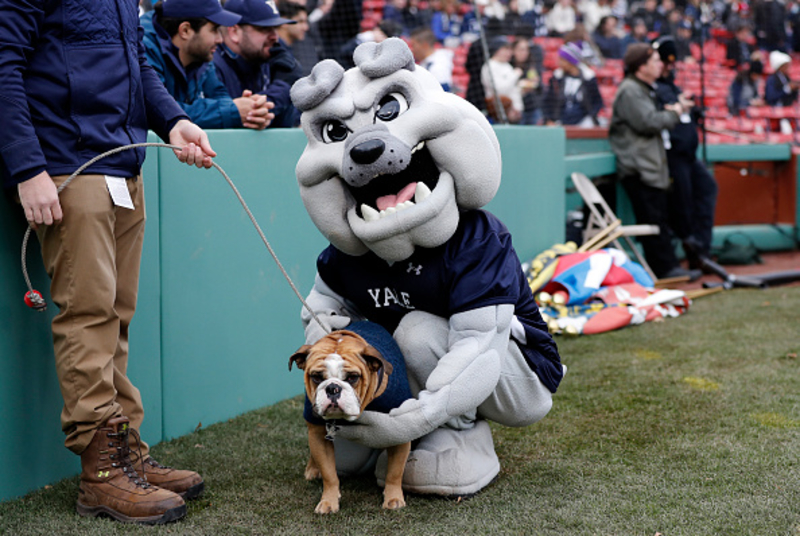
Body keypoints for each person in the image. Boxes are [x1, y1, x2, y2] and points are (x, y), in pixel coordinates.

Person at [0, 0, 217, 525]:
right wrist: (28, 167)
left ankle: (127, 456)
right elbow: (3, 63)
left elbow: (136, 64)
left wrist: (175, 119)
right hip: (70, 170)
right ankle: (102, 476)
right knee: (90, 316)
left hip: (123, 166)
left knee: (115, 317)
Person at [608, 43, 700, 280]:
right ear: (641, 67)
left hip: (648, 167)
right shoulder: (630, 90)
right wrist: (676, 111)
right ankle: (665, 269)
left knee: (658, 219)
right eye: (655, 61)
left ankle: (667, 267)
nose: (660, 65)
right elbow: (649, 122)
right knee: (653, 220)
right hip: (639, 168)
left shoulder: (642, 88)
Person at [142, 0, 274, 130]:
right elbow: (157, 111)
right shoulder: (142, 50)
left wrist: (250, 111)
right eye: (214, 30)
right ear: (185, 30)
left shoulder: (200, 55)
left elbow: (219, 94)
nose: (220, 39)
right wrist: (233, 111)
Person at [653, 36, 718, 270]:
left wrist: (693, 110)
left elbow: (680, 110)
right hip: (672, 155)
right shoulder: (654, 88)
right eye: (665, 62)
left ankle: (702, 248)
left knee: (707, 188)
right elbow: (658, 117)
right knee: (682, 204)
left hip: (690, 154)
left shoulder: (671, 84)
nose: (669, 67)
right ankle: (694, 252)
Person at [213, 0, 301, 128]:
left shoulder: (265, 60)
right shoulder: (212, 63)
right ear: (234, 32)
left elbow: (284, 124)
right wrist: (282, 89)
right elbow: (240, 117)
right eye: (264, 29)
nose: (274, 37)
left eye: (275, 28)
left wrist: (288, 87)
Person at [543, 43, 603, 126]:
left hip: (583, 121)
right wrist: (549, 119)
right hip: (559, 121)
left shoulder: (588, 78)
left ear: (570, 61)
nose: (559, 62)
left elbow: (597, 101)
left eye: (562, 59)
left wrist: (591, 115)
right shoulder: (556, 78)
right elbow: (548, 101)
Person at [482, 36, 524, 123]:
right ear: (497, 50)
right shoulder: (489, 66)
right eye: (505, 49)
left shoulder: (508, 66)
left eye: (510, 50)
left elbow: (513, 90)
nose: (509, 53)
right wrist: (515, 75)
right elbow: (499, 90)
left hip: (515, 114)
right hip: (499, 114)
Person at [276, 1, 320, 77]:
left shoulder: (288, 49)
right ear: (284, 21)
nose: (306, 28)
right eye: (300, 22)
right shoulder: (274, 51)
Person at [409, 27, 455, 92]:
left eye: (413, 45)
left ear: (425, 45)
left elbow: (442, 93)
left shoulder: (438, 64)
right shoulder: (426, 62)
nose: (411, 49)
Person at [511, 36, 545, 124]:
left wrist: (536, 83)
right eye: (521, 49)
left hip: (532, 108)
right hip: (515, 110)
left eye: (526, 50)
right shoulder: (508, 67)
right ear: (513, 51)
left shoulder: (532, 66)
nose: (524, 53)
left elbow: (540, 88)